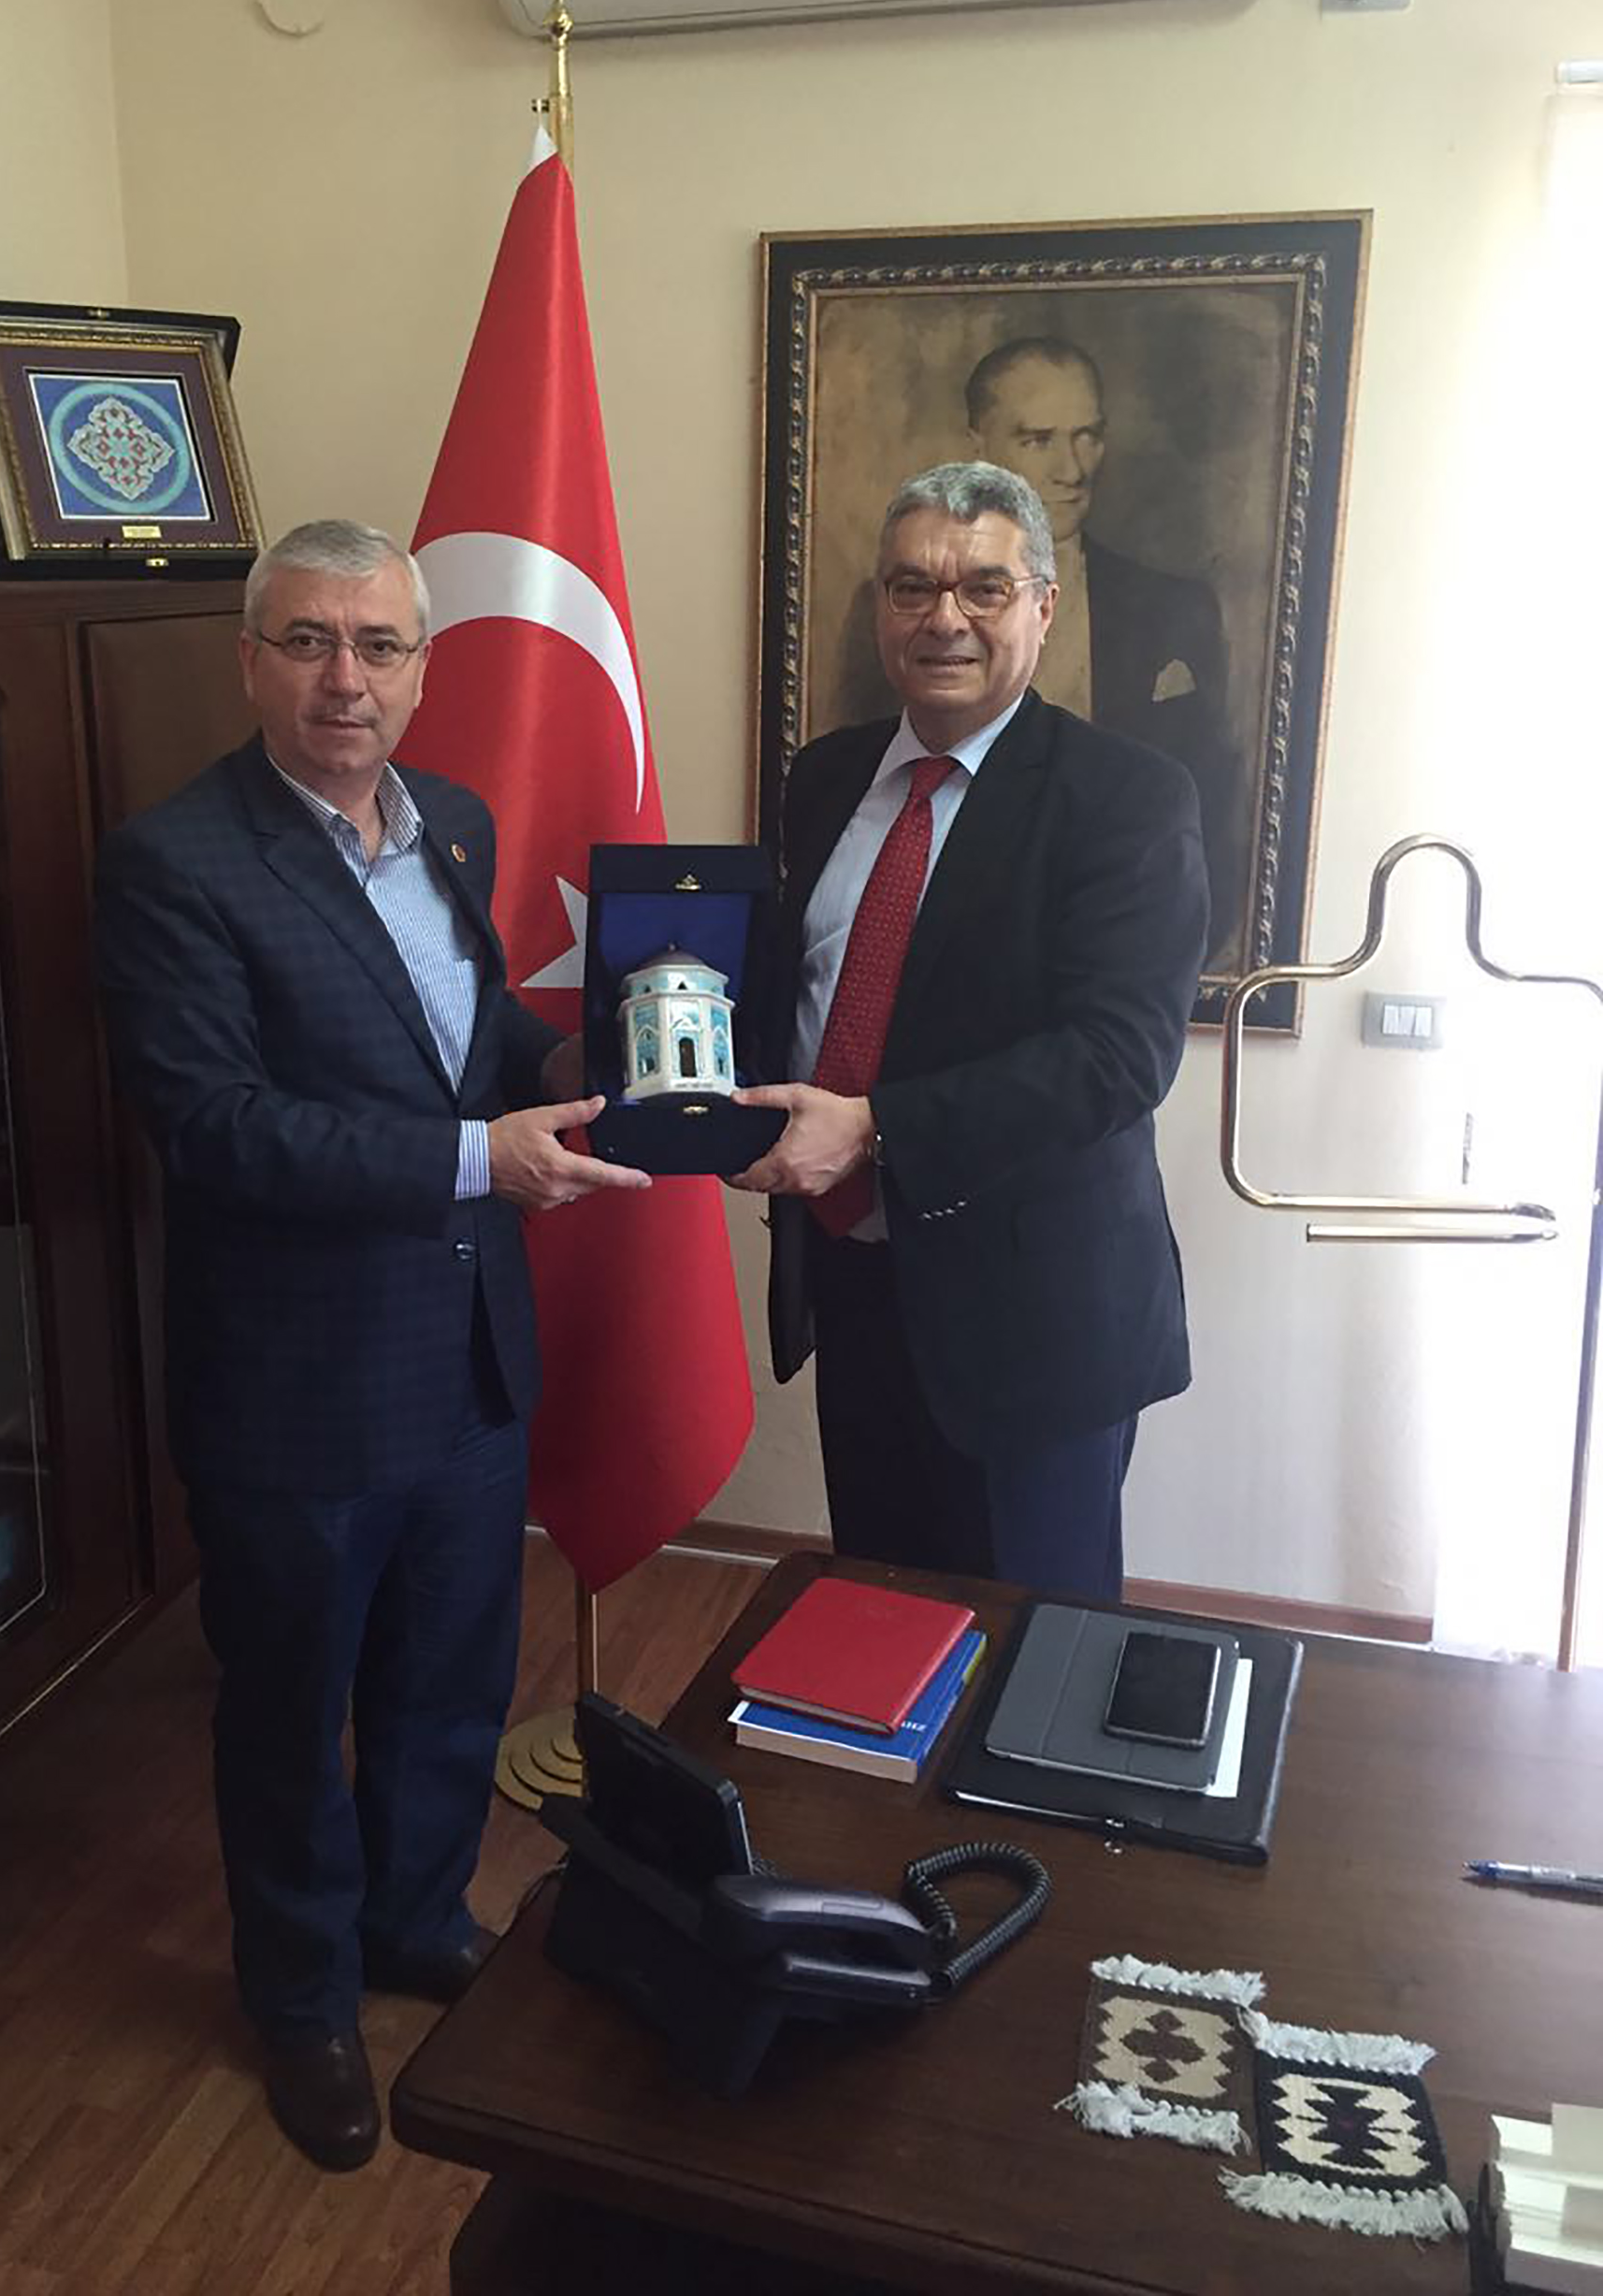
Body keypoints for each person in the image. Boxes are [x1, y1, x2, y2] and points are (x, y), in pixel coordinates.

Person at [93, 519, 647, 2173]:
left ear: (422, 667)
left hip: (466, 1349)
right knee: (290, 1711)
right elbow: (217, 1125)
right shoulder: (175, 862)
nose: (348, 677)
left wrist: (599, 1057)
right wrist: (483, 1155)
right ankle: (303, 1996)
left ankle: (413, 1919)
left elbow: (473, 1037)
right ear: (251, 660)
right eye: (311, 640)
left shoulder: (451, 822)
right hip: (297, 1385)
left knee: (451, 1678)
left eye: (380, 644)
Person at [730, 462, 1207, 1600]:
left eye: (982, 588)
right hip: (856, 1282)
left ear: (1042, 606)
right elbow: (801, 989)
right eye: (912, 587)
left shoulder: (1124, 798)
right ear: (882, 608)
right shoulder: (826, 777)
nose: (943, 617)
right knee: (881, 1618)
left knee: (1031, 1645)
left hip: (1034, 1321)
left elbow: (1118, 1057)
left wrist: (872, 1130)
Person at [964, 336, 1241, 953]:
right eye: (1039, 439)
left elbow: (1209, 815)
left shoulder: (1175, 610)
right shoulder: (917, 616)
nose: (1073, 468)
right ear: (979, 448)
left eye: (1087, 435)